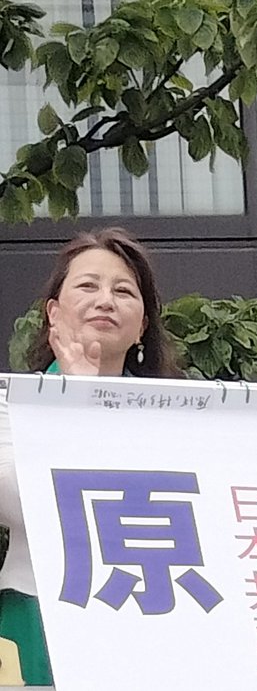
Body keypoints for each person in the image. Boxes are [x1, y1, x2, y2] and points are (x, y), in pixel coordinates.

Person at [6, 227, 181, 685]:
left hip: (154, 618)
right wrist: (77, 400)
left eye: (123, 291)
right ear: (53, 312)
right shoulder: (9, 405)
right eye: (88, 285)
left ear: (142, 325)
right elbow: (24, 498)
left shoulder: (178, 419)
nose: (105, 300)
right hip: (35, 617)